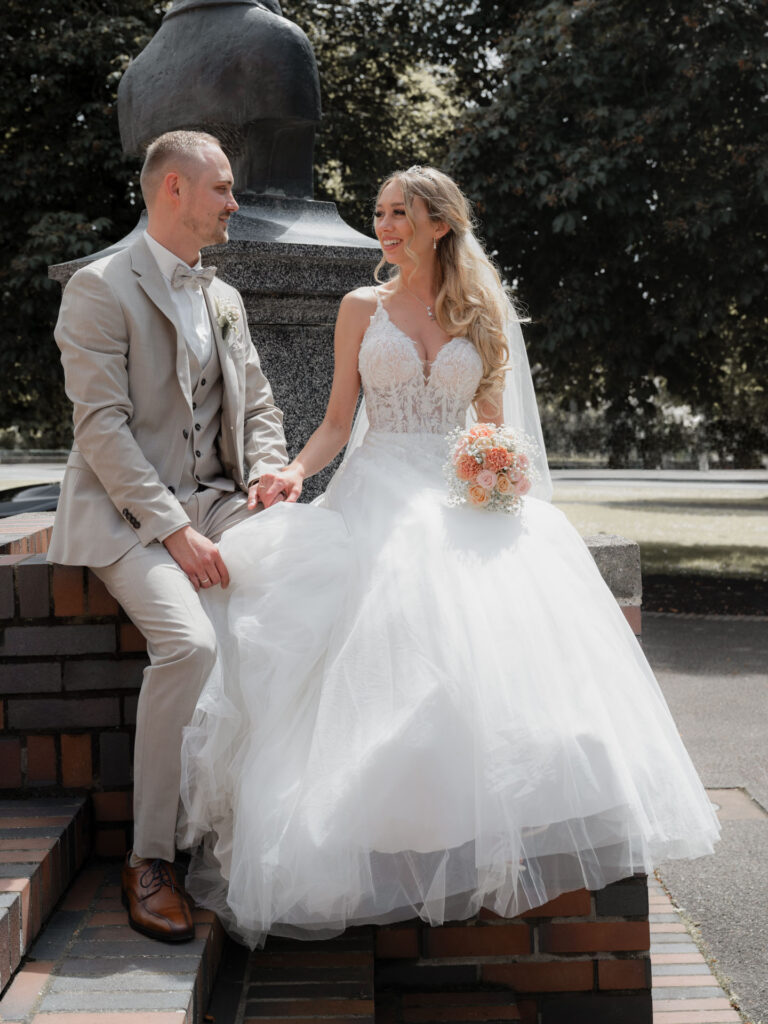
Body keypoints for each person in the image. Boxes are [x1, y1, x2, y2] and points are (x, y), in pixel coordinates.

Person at [177, 165, 719, 949]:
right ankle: (377, 829)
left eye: (403, 213)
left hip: (461, 498)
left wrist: (499, 474)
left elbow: (492, 428)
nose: (387, 226)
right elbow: (336, 421)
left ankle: (492, 827)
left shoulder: (480, 311)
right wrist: (293, 471)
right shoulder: (360, 307)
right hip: (377, 489)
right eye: (381, 213)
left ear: (440, 223)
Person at [47, 130, 288, 943]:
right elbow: (105, 433)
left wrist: (269, 476)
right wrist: (176, 531)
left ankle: (275, 823)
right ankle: (149, 859)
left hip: (219, 497)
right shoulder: (97, 286)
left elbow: (255, 405)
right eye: (222, 188)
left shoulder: (224, 296)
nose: (234, 202)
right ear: (173, 190)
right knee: (188, 646)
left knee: (311, 577)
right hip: (126, 515)